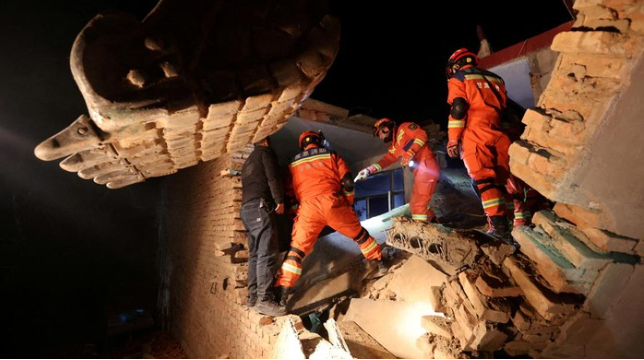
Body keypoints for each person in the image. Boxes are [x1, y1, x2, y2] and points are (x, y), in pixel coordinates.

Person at [274, 131, 387, 299]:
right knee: (360, 236)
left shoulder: (293, 163)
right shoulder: (332, 155)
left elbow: (289, 195)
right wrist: (347, 203)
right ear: (319, 141)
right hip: (333, 203)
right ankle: (380, 263)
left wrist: (294, 214)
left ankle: (282, 293)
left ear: (302, 144)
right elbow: (348, 182)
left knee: (296, 251)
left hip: (308, 208)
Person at [444, 47, 519, 240]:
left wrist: (453, 140)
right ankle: (512, 224)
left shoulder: (459, 78)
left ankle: (500, 229)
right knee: (501, 182)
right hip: (498, 132)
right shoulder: (496, 79)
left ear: (456, 65)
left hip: (475, 132)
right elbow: (506, 110)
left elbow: (459, 108)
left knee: (483, 179)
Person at [355, 119, 441, 223]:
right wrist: (368, 170)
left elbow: (422, 134)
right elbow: (386, 160)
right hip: (420, 170)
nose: (381, 137)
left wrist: (410, 152)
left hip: (426, 165)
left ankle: (422, 232)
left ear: (386, 128)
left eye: (380, 133)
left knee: (418, 205)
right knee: (414, 204)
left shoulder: (404, 128)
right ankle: (434, 223)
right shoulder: (394, 147)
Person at [240, 136, 286, 316]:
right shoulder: (265, 153)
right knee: (266, 253)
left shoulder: (248, 161)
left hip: (246, 210)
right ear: (266, 141)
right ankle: (264, 300)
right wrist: (279, 201)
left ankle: (252, 298)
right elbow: (272, 178)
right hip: (259, 207)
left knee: (255, 255)